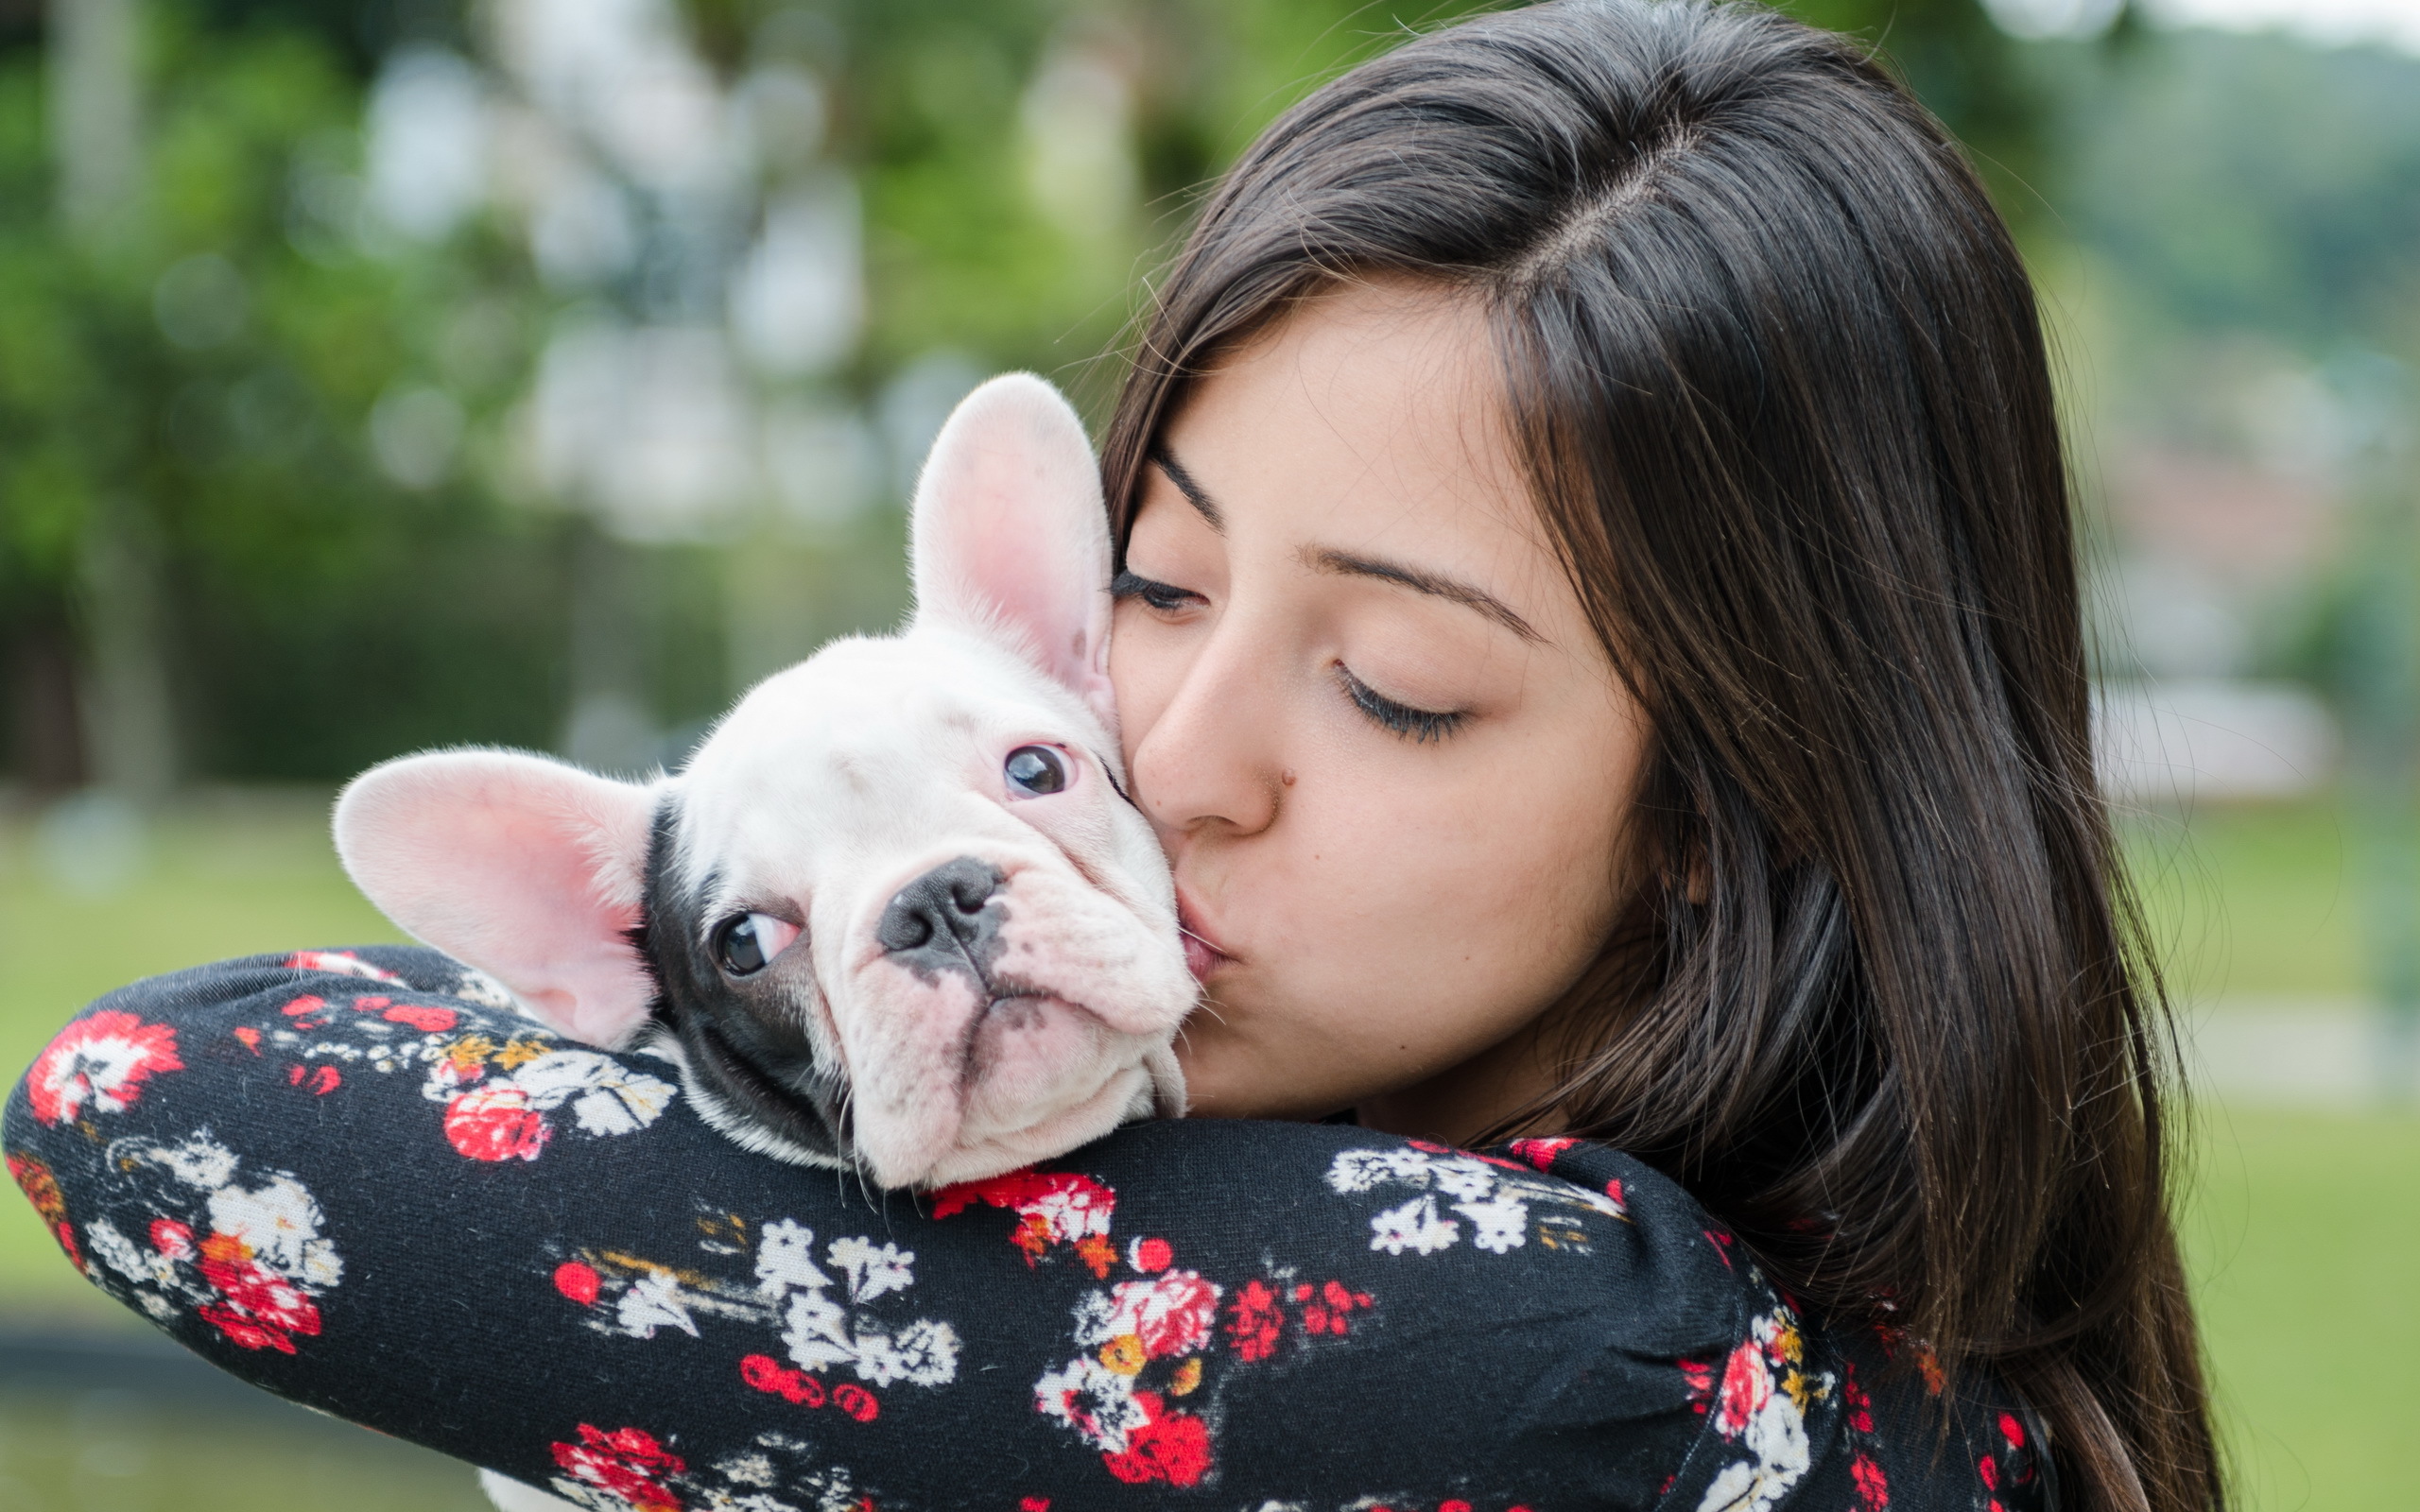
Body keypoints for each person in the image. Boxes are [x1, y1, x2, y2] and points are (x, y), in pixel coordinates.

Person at [6, 3, 2221, 1509]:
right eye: (1152, 589)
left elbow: (157, 1103)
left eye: (1396, 687)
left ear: (1734, 812)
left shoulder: (1581, 1360)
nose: (1180, 748)